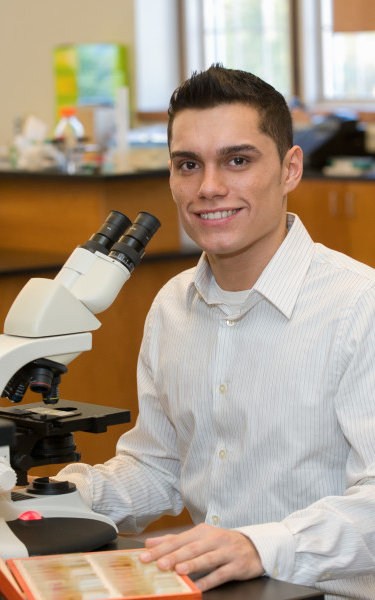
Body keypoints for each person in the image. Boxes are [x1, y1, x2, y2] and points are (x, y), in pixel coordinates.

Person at [56, 65, 375, 599]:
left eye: (238, 160)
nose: (209, 187)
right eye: (188, 164)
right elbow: (159, 469)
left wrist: (261, 545)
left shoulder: (358, 305)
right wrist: (57, 498)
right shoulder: (171, 306)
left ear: (290, 168)